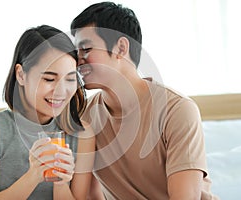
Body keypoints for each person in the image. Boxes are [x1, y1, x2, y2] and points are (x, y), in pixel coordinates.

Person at [71, 2, 219, 199]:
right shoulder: (85, 117)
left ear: (121, 48)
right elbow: (89, 194)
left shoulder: (177, 110)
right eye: (77, 52)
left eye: (86, 49)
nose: (77, 60)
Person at [0, 25, 95, 200]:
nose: (61, 91)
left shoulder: (82, 135)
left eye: (70, 79)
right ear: (21, 75)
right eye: (49, 79)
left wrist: (60, 181)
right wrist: (33, 176)